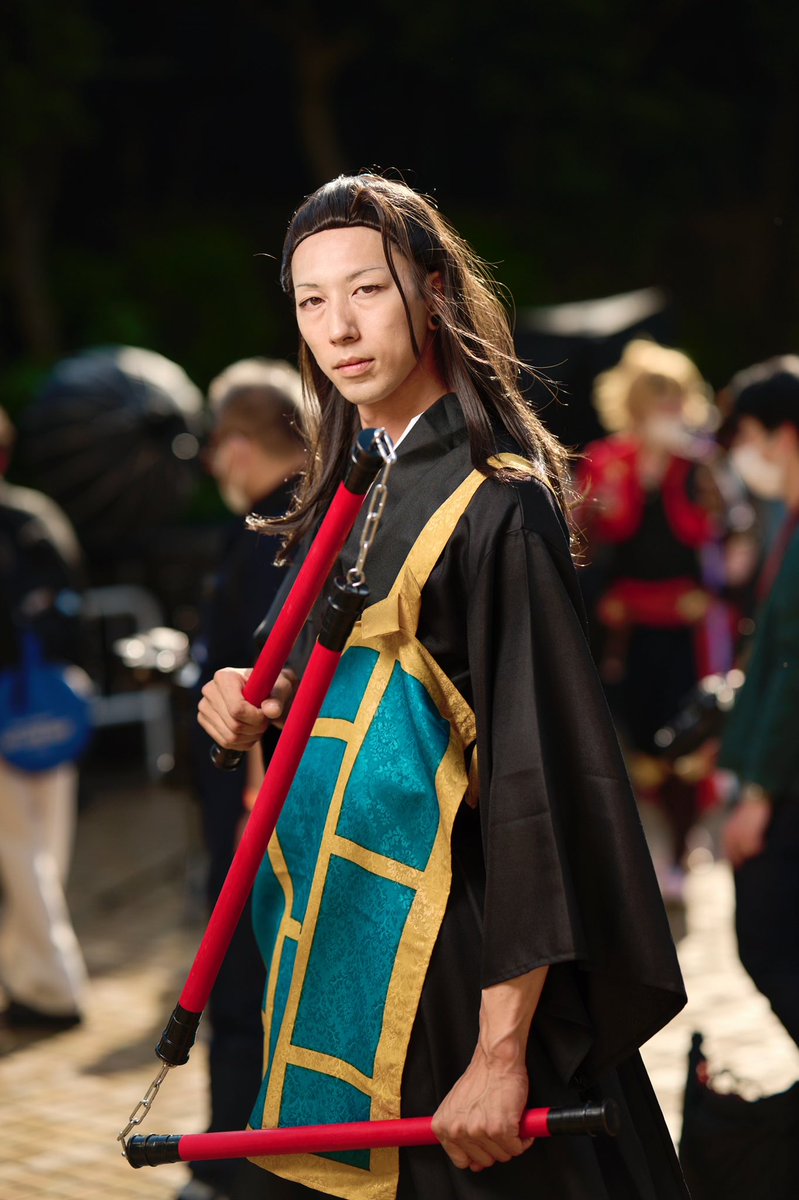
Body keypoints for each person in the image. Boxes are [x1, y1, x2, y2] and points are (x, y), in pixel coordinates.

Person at [198, 172, 690, 1199]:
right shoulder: (351, 484)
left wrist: (501, 1055)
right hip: (338, 956)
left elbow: (535, 788)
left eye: (366, 290)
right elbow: (344, 692)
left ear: (431, 292)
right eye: (311, 300)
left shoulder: (497, 506)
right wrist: (249, 698)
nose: (338, 327)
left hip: (459, 974)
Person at [180, 359, 307, 1200]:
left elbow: (272, 677)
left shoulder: (277, 529)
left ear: (234, 445)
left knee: (240, 991)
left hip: (257, 820)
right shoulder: (289, 520)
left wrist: (252, 811)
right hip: (251, 811)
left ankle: (231, 1163)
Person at [576, 340, 736, 904]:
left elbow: (728, 543)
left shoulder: (702, 468)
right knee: (635, 740)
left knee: (689, 740)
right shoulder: (604, 463)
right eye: (656, 401)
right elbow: (584, 547)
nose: (667, 411)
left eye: (674, 400)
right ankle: (654, 851)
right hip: (628, 631)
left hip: (688, 628)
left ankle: (684, 850)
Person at [717, 356, 799, 1049]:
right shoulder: (785, 521)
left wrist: (759, 793)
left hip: (785, 785)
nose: (744, 455)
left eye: (746, 435)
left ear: (783, 435)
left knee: (766, 938)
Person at [0, 404, 90, 1030]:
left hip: (14, 710)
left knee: (20, 852)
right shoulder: (38, 516)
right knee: (44, 850)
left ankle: (51, 986)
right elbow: (74, 608)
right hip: (55, 706)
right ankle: (29, 972)